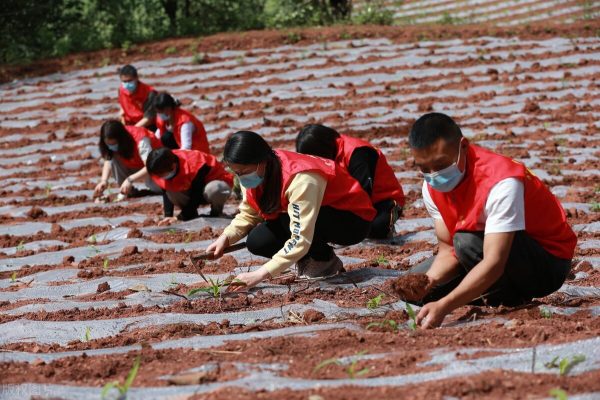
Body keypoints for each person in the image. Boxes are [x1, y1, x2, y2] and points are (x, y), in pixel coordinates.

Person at [403, 113, 576, 329]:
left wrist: (445, 306)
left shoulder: (502, 182)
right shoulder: (431, 187)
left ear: (463, 146)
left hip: (547, 263)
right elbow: (448, 250)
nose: (433, 175)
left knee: (466, 243)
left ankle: (508, 298)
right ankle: (484, 289)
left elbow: (494, 262)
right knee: (414, 284)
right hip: (485, 250)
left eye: (440, 164)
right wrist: (428, 282)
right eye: (424, 168)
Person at [205, 131, 376, 289]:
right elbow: (249, 213)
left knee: (288, 219)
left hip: (351, 219)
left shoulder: (302, 179)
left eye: (245, 171)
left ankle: (322, 260)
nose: (241, 177)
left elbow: (300, 238)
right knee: (258, 240)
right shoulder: (256, 173)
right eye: (237, 172)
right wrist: (225, 238)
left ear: (262, 161)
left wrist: (259, 275)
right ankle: (312, 258)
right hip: (314, 214)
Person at [296, 124, 405, 239]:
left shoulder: (358, 153)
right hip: (349, 202)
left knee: (375, 228)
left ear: (322, 150)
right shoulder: (331, 153)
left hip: (383, 202)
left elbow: (363, 195)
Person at [146, 148, 233, 225]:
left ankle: (216, 213)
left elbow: (196, 194)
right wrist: (168, 216)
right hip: (193, 190)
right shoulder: (163, 165)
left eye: (161, 174)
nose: (159, 177)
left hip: (214, 187)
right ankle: (191, 215)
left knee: (215, 189)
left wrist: (180, 217)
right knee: (173, 192)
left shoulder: (195, 163)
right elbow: (166, 187)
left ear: (173, 166)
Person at [94, 120, 162, 200]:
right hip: (136, 165)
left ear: (122, 140)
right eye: (108, 144)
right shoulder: (112, 144)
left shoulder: (141, 140)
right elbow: (109, 159)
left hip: (157, 166)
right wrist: (104, 181)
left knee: (158, 188)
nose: (111, 147)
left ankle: (129, 185)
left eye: (114, 144)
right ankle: (126, 190)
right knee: (115, 159)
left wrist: (130, 180)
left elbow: (150, 166)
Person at [118, 65, 157, 130]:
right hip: (130, 123)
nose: (127, 84)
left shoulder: (149, 93)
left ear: (136, 78)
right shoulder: (121, 90)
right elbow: (122, 105)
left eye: (129, 81)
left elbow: (148, 118)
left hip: (147, 126)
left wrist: (132, 130)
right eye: (124, 81)